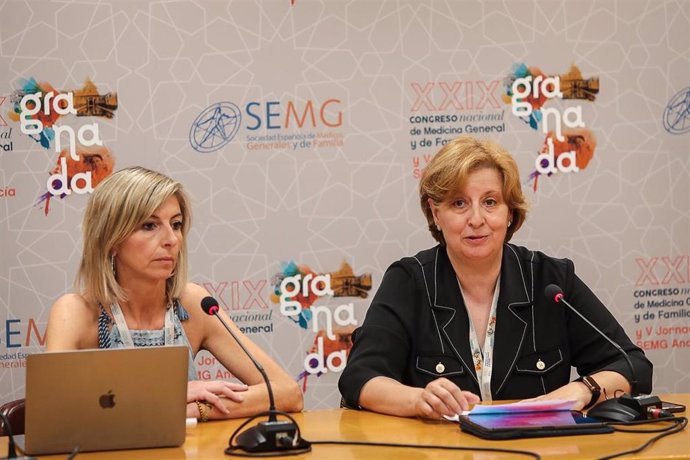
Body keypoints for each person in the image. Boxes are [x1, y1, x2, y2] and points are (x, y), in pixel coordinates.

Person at [338, 135, 652, 419]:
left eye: (490, 202)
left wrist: (582, 390)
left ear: (510, 212)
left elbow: (632, 365)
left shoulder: (550, 280)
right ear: (436, 214)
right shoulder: (409, 281)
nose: (477, 219)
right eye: (459, 203)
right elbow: (359, 377)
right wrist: (417, 399)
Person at [45, 166, 303, 421]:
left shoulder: (193, 303)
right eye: (149, 225)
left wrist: (195, 408)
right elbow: (52, 412)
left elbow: (287, 393)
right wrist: (172, 398)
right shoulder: (75, 311)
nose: (171, 239)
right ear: (111, 240)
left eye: (176, 224)